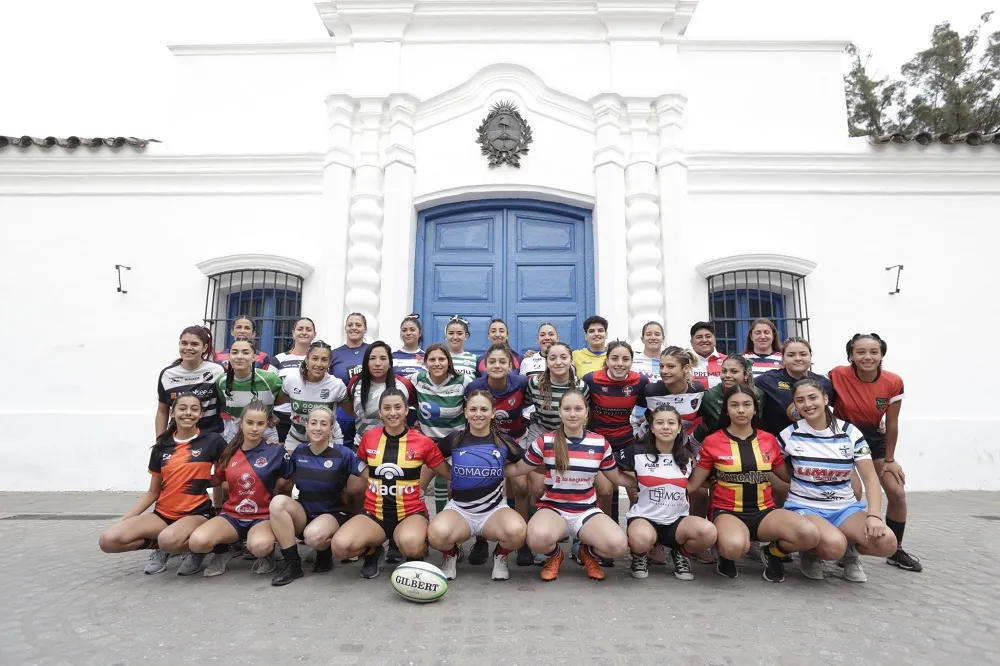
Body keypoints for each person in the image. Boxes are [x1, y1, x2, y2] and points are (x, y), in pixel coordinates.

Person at [688, 386, 820, 582]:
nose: (741, 410)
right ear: (726, 410)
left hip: (764, 512)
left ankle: (773, 553)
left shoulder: (768, 440)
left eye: (746, 405)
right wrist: (649, 483)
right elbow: (693, 485)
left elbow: (787, 476)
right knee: (734, 548)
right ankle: (724, 553)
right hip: (727, 511)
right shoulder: (712, 441)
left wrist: (818, 462)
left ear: (755, 409)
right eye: (734, 405)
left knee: (809, 534)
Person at [507, 388, 636, 581]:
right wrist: (487, 469)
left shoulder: (600, 443)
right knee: (536, 539)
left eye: (578, 408)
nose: (573, 413)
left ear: (586, 412)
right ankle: (555, 555)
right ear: (560, 412)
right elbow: (518, 469)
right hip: (553, 508)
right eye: (567, 409)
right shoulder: (546, 441)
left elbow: (616, 478)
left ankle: (587, 553)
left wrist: (645, 482)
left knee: (617, 545)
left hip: (586, 511)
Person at [778, 379, 898, 583]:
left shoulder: (851, 433)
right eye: (800, 400)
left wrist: (874, 516)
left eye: (813, 397)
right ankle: (811, 551)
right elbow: (771, 467)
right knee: (833, 546)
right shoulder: (788, 435)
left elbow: (870, 477)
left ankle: (850, 552)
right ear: (795, 405)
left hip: (845, 508)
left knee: (887, 543)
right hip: (805, 507)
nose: (807, 404)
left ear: (825, 399)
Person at [99, 394, 225, 576]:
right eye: (182, 408)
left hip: (196, 513)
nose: (188, 413)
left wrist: (209, 483)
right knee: (108, 541)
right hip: (163, 515)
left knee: (167, 540)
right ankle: (170, 545)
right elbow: (152, 492)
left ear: (200, 414)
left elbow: (226, 473)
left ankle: (198, 549)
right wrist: (127, 519)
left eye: (194, 409)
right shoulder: (162, 447)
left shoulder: (212, 441)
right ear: (172, 413)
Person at [330, 389, 451, 579]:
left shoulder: (423, 442)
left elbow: (446, 472)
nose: (392, 412)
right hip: (374, 513)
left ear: (406, 411)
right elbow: (359, 462)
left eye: (397, 407)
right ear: (380, 412)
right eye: (387, 408)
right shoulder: (369, 437)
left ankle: (413, 550)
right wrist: (375, 481)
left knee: (412, 545)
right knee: (340, 547)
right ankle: (373, 550)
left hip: (410, 513)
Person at [829, 333, 920, 572]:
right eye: (860, 352)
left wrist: (890, 460)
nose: (867, 357)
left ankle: (895, 549)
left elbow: (891, 423)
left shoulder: (893, 381)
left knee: (897, 492)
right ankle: (847, 548)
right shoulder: (837, 375)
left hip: (875, 442)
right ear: (851, 355)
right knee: (855, 491)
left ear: (881, 355)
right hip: (843, 441)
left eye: (873, 352)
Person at [428, 390, 528, 581]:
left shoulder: (504, 442)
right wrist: (445, 475)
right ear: (465, 412)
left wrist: (506, 471)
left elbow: (527, 463)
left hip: (494, 511)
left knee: (518, 531)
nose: (478, 414)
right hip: (460, 510)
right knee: (436, 535)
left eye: (484, 409)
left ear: (493, 413)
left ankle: (500, 556)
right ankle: (451, 556)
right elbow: (432, 459)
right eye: (473, 409)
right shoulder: (455, 439)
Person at [187, 401, 295, 577]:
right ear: (241, 423)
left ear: (267, 424)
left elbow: (288, 481)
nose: (254, 428)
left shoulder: (276, 451)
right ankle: (224, 551)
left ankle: (267, 555)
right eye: (250, 423)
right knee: (198, 542)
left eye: (260, 424)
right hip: (232, 515)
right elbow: (218, 479)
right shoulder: (229, 451)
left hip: (262, 517)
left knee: (259, 546)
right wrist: (194, 480)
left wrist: (281, 516)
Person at [267, 407, 366, 586]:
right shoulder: (299, 451)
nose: (317, 428)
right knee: (278, 502)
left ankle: (324, 551)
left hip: (332, 513)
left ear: (332, 427)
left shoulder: (344, 453)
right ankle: (292, 564)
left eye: (323, 423)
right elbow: (283, 482)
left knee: (313, 536)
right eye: (313, 423)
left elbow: (369, 478)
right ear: (307, 426)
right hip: (305, 513)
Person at [619, 404, 718, 581]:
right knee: (640, 540)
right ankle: (640, 555)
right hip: (645, 518)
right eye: (660, 423)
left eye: (671, 423)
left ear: (679, 427)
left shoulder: (687, 457)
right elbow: (610, 468)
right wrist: (637, 483)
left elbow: (697, 483)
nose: (666, 427)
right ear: (651, 427)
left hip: (677, 521)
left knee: (709, 532)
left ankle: (681, 553)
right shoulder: (637, 451)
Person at [516, 341, 589, 566]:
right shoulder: (535, 383)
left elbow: (584, 414)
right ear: (546, 361)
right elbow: (524, 406)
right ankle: (535, 542)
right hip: (542, 434)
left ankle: (580, 540)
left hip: (571, 435)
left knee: (574, 484)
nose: (558, 362)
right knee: (537, 488)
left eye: (563, 357)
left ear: (570, 360)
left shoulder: (580, 386)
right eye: (553, 358)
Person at [344, 341, 416, 563]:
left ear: (390, 361)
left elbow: (411, 412)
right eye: (373, 358)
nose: (377, 363)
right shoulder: (356, 383)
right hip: (363, 446)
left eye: (383, 358)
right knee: (356, 489)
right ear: (366, 361)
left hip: (397, 449)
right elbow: (350, 409)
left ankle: (395, 539)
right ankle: (366, 539)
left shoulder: (403, 384)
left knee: (392, 490)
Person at [580, 341, 648, 566]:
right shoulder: (591, 379)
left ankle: (638, 546)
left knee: (636, 493)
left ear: (631, 360)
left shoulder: (640, 381)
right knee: (606, 492)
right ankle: (603, 542)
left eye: (625, 359)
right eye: (615, 359)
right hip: (599, 444)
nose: (620, 364)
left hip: (626, 443)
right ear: (607, 360)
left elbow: (655, 405)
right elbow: (580, 408)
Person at [412, 344, 472, 518]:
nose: (437, 363)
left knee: (454, 487)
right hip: (428, 444)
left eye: (441, 359)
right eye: (432, 359)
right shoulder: (417, 379)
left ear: (449, 361)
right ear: (425, 363)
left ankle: (455, 535)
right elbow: (403, 400)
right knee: (414, 491)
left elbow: (475, 409)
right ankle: (424, 525)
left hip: (456, 443)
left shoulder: (463, 382)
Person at [276, 340, 348, 451]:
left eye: (324, 360)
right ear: (307, 360)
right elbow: (275, 402)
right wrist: (270, 415)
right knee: (292, 468)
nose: (319, 364)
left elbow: (352, 411)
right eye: (314, 358)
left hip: (329, 439)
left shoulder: (337, 385)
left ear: (329, 363)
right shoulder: (291, 380)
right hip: (297, 438)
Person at [155, 326, 224, 438]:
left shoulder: (217, 371)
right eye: (184, 343)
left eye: (194, 344)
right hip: (177, 439)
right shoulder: (167, 374)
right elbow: (162, 411)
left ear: (205, 347)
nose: (188, 348)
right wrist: (159, 442)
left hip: (210, 439)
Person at [216, 338, 283, 444]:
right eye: (234, 352)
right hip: (235, 432)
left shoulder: (270, 379)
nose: (239, 356)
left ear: (253, 357)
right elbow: (225, 404)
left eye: (245, 352)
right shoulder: (221, 382)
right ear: (229, 356)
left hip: (265, 433)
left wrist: (271, 414)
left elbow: (283, 398)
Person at [635, 347, 705, 438]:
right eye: (661, 366)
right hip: (649, 444)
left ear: (686, 368)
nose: (664, 371)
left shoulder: (698, 390)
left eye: (671, 366)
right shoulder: (650, 391)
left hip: (682, 447)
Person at [692, 355, 764, 444]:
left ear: (746, 374)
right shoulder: (709, 396)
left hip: (747, 443)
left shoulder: (759, 395)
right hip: (708, 444)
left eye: (734, 372)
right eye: (724, 371)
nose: (727, 375)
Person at [271, 317, 318, 444]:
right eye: (300, 329)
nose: (304, 332)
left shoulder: (319, 361)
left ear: (314, 335)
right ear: (293, 333)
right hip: (280, 417)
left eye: (308, 329)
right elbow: (268, 390)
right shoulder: (278, 359)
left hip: (309, 417)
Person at [330, 312, 370, 448]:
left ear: (365, 329)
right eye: (350, 325)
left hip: (368, 411)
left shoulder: (372, 351)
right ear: (345, 328)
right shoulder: (334, 354)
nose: (354, 328)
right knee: (342, 451)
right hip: (342, 414)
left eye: (358, 325)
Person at [689, 321, 726, 390]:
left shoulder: (727, 361)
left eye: (708, 336)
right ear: (691, 342)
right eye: (699, 337)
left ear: (714, 340)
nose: (704, 340)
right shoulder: (684, 361)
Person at [393, 314, 425, 381]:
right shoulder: (392, 356)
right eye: (404, 330)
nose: (408, 333)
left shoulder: (427, 357)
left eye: (412, 330)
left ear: (420, 333)